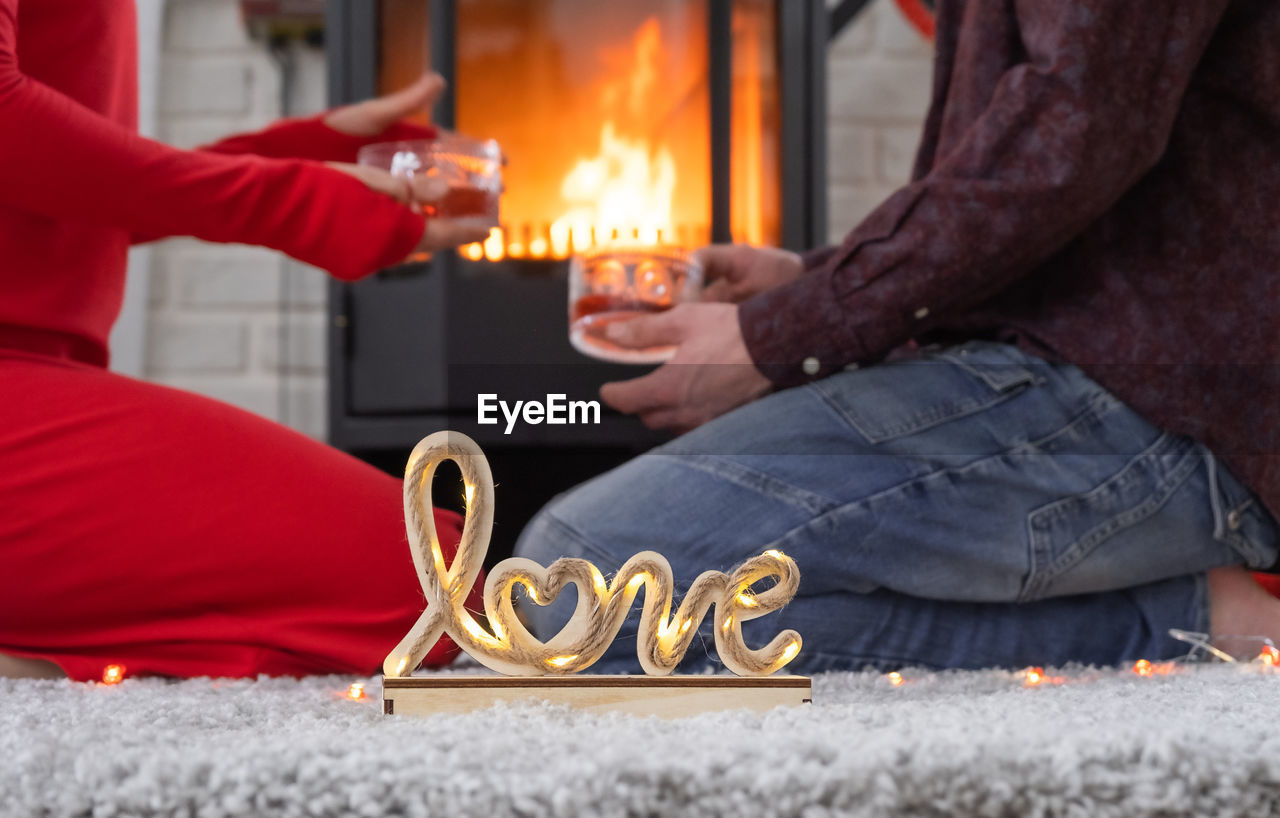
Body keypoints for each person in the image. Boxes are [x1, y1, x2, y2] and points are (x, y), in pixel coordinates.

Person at [514, 0, 1280, 672]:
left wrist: (785, 334)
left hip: (1163, 403)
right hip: (1055, 365)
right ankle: (1184, 613)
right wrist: (813, 281)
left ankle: (1167, 629)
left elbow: (1073, 129)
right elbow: (1049, 154)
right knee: (588, 599)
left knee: (586, 577)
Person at [0, 0, 489, 680]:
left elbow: (50, 198)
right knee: (441, 586)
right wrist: (289, 199)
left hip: (36, 382)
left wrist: (286, 157)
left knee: (444, 576)